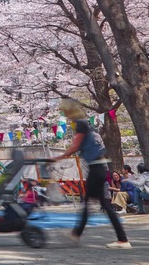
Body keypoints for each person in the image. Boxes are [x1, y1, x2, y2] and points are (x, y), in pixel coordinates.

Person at [51, 99, 129, 249]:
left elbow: (75, 146)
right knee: (92, 204)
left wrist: (56, 158)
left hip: (95, 168)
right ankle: (76, 234)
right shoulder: (87, 124)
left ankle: (122, 239)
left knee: (99, 205)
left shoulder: (80, 124)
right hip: (99, 168)